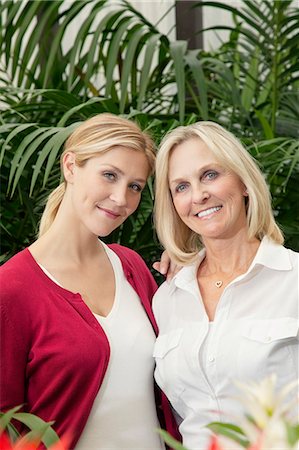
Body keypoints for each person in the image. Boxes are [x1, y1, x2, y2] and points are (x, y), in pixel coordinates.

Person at [0, 113, 179, 449]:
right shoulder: (10, 290)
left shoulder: (132, 266)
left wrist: (191, 272)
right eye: (109, 175)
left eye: (135, 186)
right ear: (70, 166)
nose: (121, 198)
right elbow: (4, 424)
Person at [152, 121, 299, 450]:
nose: (199, 195)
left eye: (210, 175)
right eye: (181, 187)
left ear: (244, 182)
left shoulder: (294, 280)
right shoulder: (167, 299)